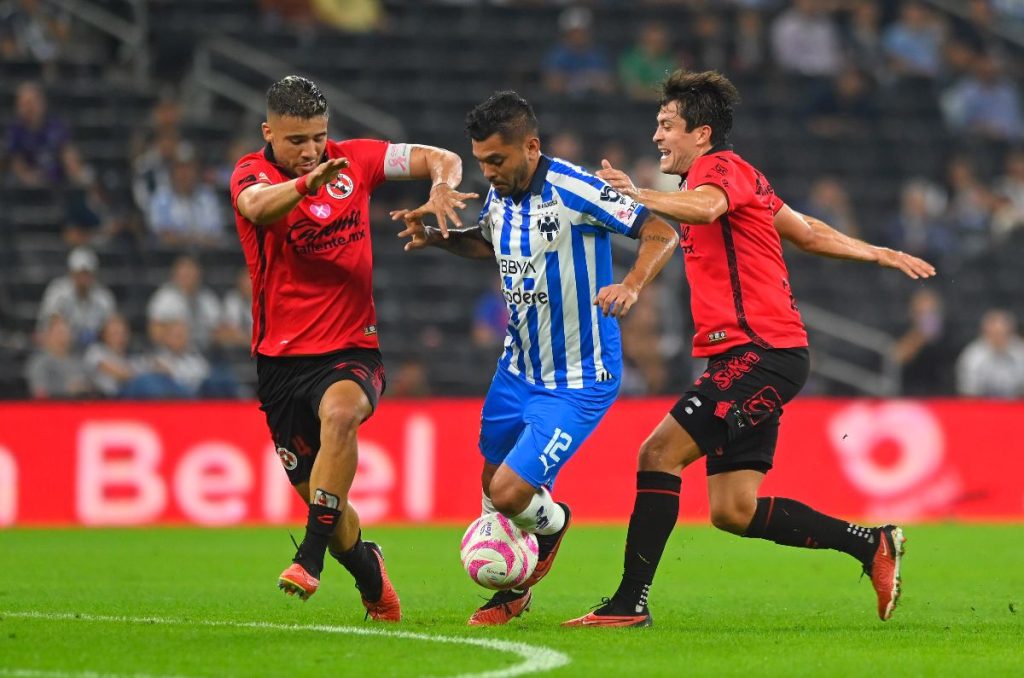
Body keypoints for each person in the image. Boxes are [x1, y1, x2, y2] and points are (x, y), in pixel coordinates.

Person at [562, 69, 936, 628]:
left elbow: (707, 207)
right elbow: (806, 230)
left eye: (667, 126)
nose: (657, 137)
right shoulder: (745, 179)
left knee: (656, 455)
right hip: (763, 355)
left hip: (759, 352)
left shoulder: (719, 172)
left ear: (702, 134)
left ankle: (627, 604)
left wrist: (636, 193)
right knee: (734, 510)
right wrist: (876, 251)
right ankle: (871, 543)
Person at [393, 91, 678, 625]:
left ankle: (554, 524)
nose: (488, 172)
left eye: (496, 161)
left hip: (577, 376)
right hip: (517, 369)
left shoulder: (576, 188)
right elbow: (490, 241)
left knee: (508, 492)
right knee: (490, 482)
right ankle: (516, 589)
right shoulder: (502, 193)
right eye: (480, 162)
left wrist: (633, 284)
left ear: (531, 146)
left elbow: (662, 230)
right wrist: (438, 238)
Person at [230, 75, 474, 619]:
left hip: (350, 347)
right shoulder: (253, 173)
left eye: (318, 136)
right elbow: (255, 207)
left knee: (342, 415)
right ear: (269, 132)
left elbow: (441, 156)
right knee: (330, 509)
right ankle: (368, 571)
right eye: (297, 140)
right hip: (280, 363)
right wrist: (305, 185)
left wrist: (440, 185)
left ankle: (308, 559)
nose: (312, 150)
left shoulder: (355, 160)